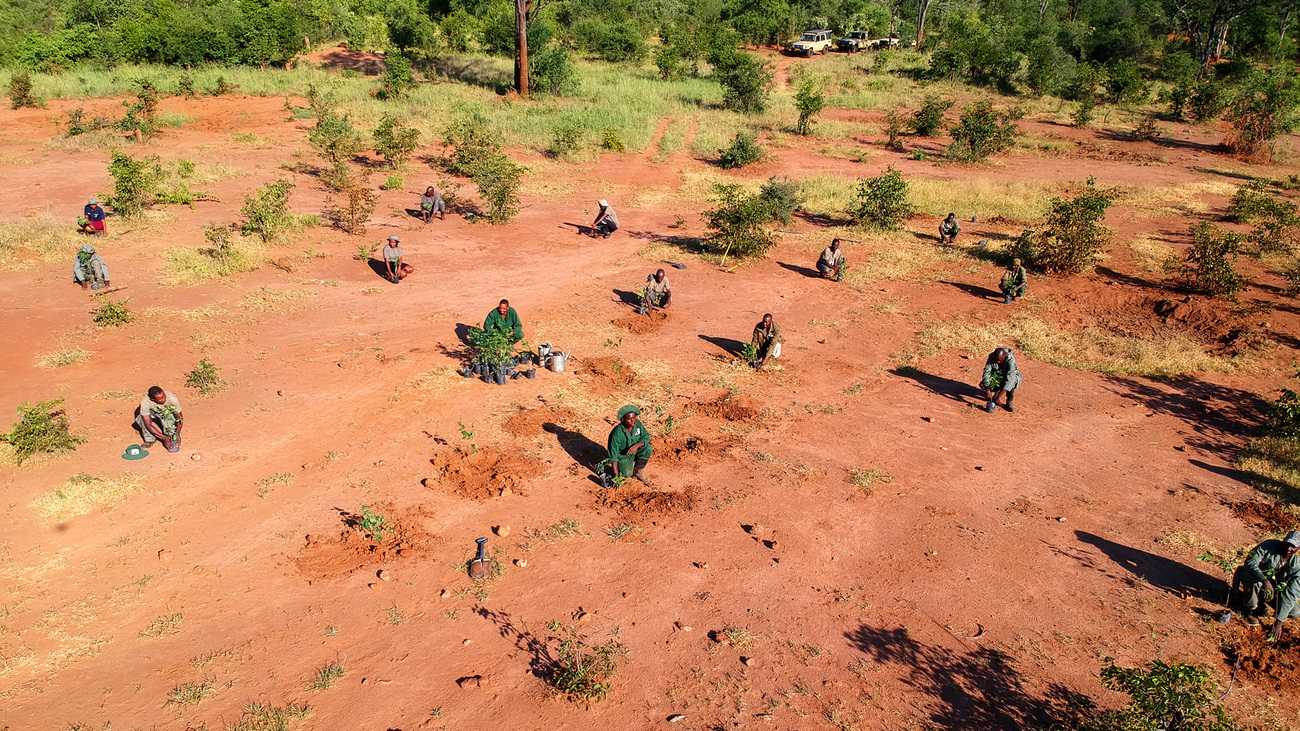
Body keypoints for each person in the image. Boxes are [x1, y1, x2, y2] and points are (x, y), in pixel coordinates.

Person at [1235, 532, 1300, 636]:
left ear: (1298, 548)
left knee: (1295, 612)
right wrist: (1264, 580)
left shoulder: (1296, 566)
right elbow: (1250, 563)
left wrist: (1279, 621)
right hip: (1254, 578)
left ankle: (1261, 600)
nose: (1288, 548)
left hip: (1273, 589)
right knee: (1253, 581)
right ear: (1283, 541)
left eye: (1293, 546)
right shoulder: (1269, 545)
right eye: (1287, 543)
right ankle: (1250, 609)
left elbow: (1292, 593)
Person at [607, 404, 652, 484]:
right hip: (624, 456)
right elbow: (613, 456)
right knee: (627, 474)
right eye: (630, 419)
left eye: (634, 418)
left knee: (648, 448)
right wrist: (616, 475)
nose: (633, 420)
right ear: (623, 419)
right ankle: (626, 468)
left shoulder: (637, 424)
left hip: (636, 451)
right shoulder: (616, 434)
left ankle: (637, 472)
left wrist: (637, 445)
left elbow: (646, 436)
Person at [135, 386, 183, 453]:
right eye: (160, 399)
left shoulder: (172, 398)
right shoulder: (145, 402)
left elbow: (179, 418)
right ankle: (150, 439)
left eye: (164, 396)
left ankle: (170, 436)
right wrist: (164, 438)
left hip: (165, 413)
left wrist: (177, 434)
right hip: (151, 413)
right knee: (142, 420)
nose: (164, 399)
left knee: (171, 433)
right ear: (152, 399)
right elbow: (148, 424)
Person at [980, 347, 1022, 413]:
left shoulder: (1011, 360)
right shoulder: (992, 356)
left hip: (1008, 377)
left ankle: (1009, 402)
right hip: (998, 375)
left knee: (1013, 381)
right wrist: (987, 388)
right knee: (985, 382)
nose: (997, 362)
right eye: (996, 360)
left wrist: (1000, 396)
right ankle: (996, 393)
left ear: (1004, 356)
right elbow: (987, 372)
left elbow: (1010, 377)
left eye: (999, 360)